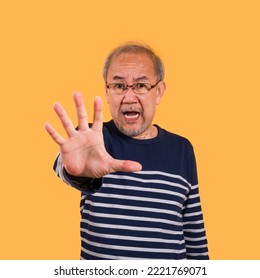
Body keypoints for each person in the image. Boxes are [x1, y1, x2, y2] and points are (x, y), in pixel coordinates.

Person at [45, 42, 209, 260]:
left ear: (158, 92)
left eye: (141, 85)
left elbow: (193, 231)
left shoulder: (182, 149)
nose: (129, 98)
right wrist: (77, 173)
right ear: (107, 91)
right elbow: (66, 164)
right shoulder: (92, 140)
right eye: (119, 86)